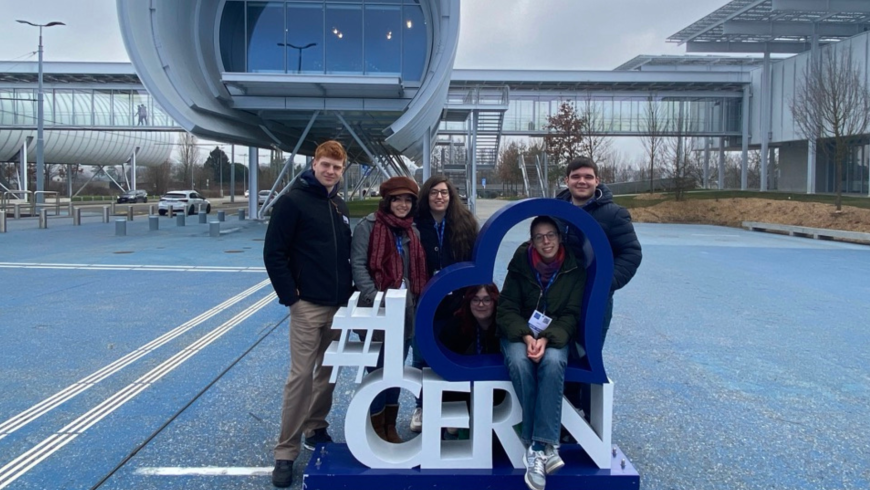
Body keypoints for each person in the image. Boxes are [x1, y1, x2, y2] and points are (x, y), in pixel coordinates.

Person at [263, 140, 352, 488]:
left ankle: (315, 426)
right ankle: (285, 451)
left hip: (337, 305)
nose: (330, 171)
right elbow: (274, 253)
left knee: (327, 373)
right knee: (300, 376)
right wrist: (292, 297)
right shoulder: (292, 202)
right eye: (325, 164)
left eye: (336, 167)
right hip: (307, 306)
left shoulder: (339, 205)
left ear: (342, 171)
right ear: (314, 164)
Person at [497, 216, 586, 490]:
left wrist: (546, 339)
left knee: (554, 362)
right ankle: (546, 446)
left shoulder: (574, 268)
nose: (546, 241)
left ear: (559, 237)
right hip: (519, 332)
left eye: (550, 235)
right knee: (519, 362)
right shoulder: (521, 263)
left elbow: (570, 314)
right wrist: (526, 336)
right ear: (531, 241)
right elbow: (507, 307)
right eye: (539, 237)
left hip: (554, 334)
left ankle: (536, 446)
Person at [555, 157, 642, 435]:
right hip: (557, 300)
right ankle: (560, 416)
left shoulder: (613, 214)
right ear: (567, 180)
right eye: (576, 176)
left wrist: (606, 284)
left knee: (586, 357)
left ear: (597, 180)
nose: (582, 181)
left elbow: (631, 253)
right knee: (556, 354)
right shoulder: (555, 211)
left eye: (588, 177)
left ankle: (583, 422)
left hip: (593, 303)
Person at [351, 176, 429, 443]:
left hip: (405, 312)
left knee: (395, 369)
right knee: (376, 370)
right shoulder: (368, 226)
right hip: (375, 310)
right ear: (387, 201)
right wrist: (376, 297)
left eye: (407, 200)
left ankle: (389, 425)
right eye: (397, 199)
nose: (402, 205)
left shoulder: (412, 231)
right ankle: (375, 427)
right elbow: (358, 265)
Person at [409, 175, 479, 433]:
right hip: (424, 301)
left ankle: (451, 407)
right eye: (434, 192)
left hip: (456, 301)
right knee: (421, 356)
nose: (439, 197)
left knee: (454, 352)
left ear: (451, 196)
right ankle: (422, 406)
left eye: (444, 192)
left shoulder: (465, 223)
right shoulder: (415, 224)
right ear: (426, 196)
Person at [438, 284, 502, 440]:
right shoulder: (455, 326)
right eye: (475, 300)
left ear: (495, 301)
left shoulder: (504, 326)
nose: (481, 304)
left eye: (487, 300)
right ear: (468, 301)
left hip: (498, 391)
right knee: (453, 429)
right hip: (463, 389)